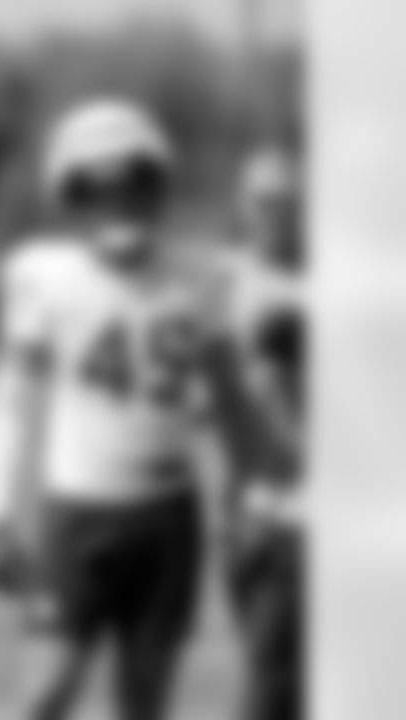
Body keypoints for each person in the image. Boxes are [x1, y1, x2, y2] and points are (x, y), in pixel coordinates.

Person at [0, 99, 276, 720]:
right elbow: (11, 403)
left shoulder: (200, 279)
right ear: (70, 196)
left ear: (159, 183)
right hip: (77, 514)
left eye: (134, 181)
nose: (119, 200)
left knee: (146, 702)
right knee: (44, 691)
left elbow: (230, 398)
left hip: (168, 516)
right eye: (97, 186)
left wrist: (251, 491)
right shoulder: (43, 277)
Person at [222, 147, 306, 720]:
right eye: (262, 201)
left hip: (307, 515)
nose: (274, 213)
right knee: (276, 678)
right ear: (241, 206)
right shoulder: (220, 285)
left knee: (276, 683)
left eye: (286, 202)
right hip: (248, 513)